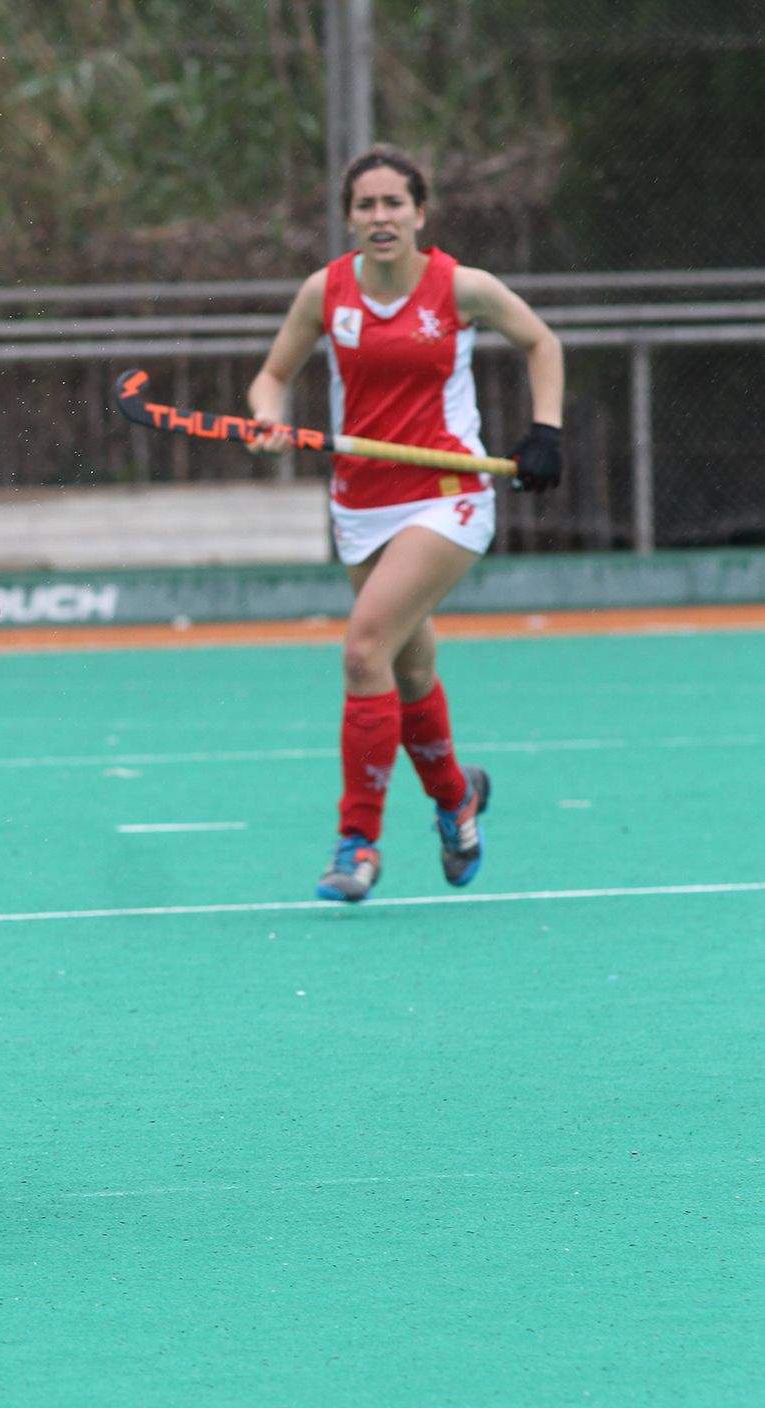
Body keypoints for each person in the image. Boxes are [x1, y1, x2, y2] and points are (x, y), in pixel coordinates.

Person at [245, 144, 564, 902]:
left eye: (395, 203)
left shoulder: (461, 287)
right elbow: (273, 375)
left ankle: (358, 841)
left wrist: (544, 430)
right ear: (349, 217)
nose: (380, 217)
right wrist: (267, 419)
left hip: (446, 494)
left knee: (363, 651)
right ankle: (457, 797)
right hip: (360, 502)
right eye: (366, 205)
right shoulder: (327, 292)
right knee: (408, 667)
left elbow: (540, 341)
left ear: (421, 214)